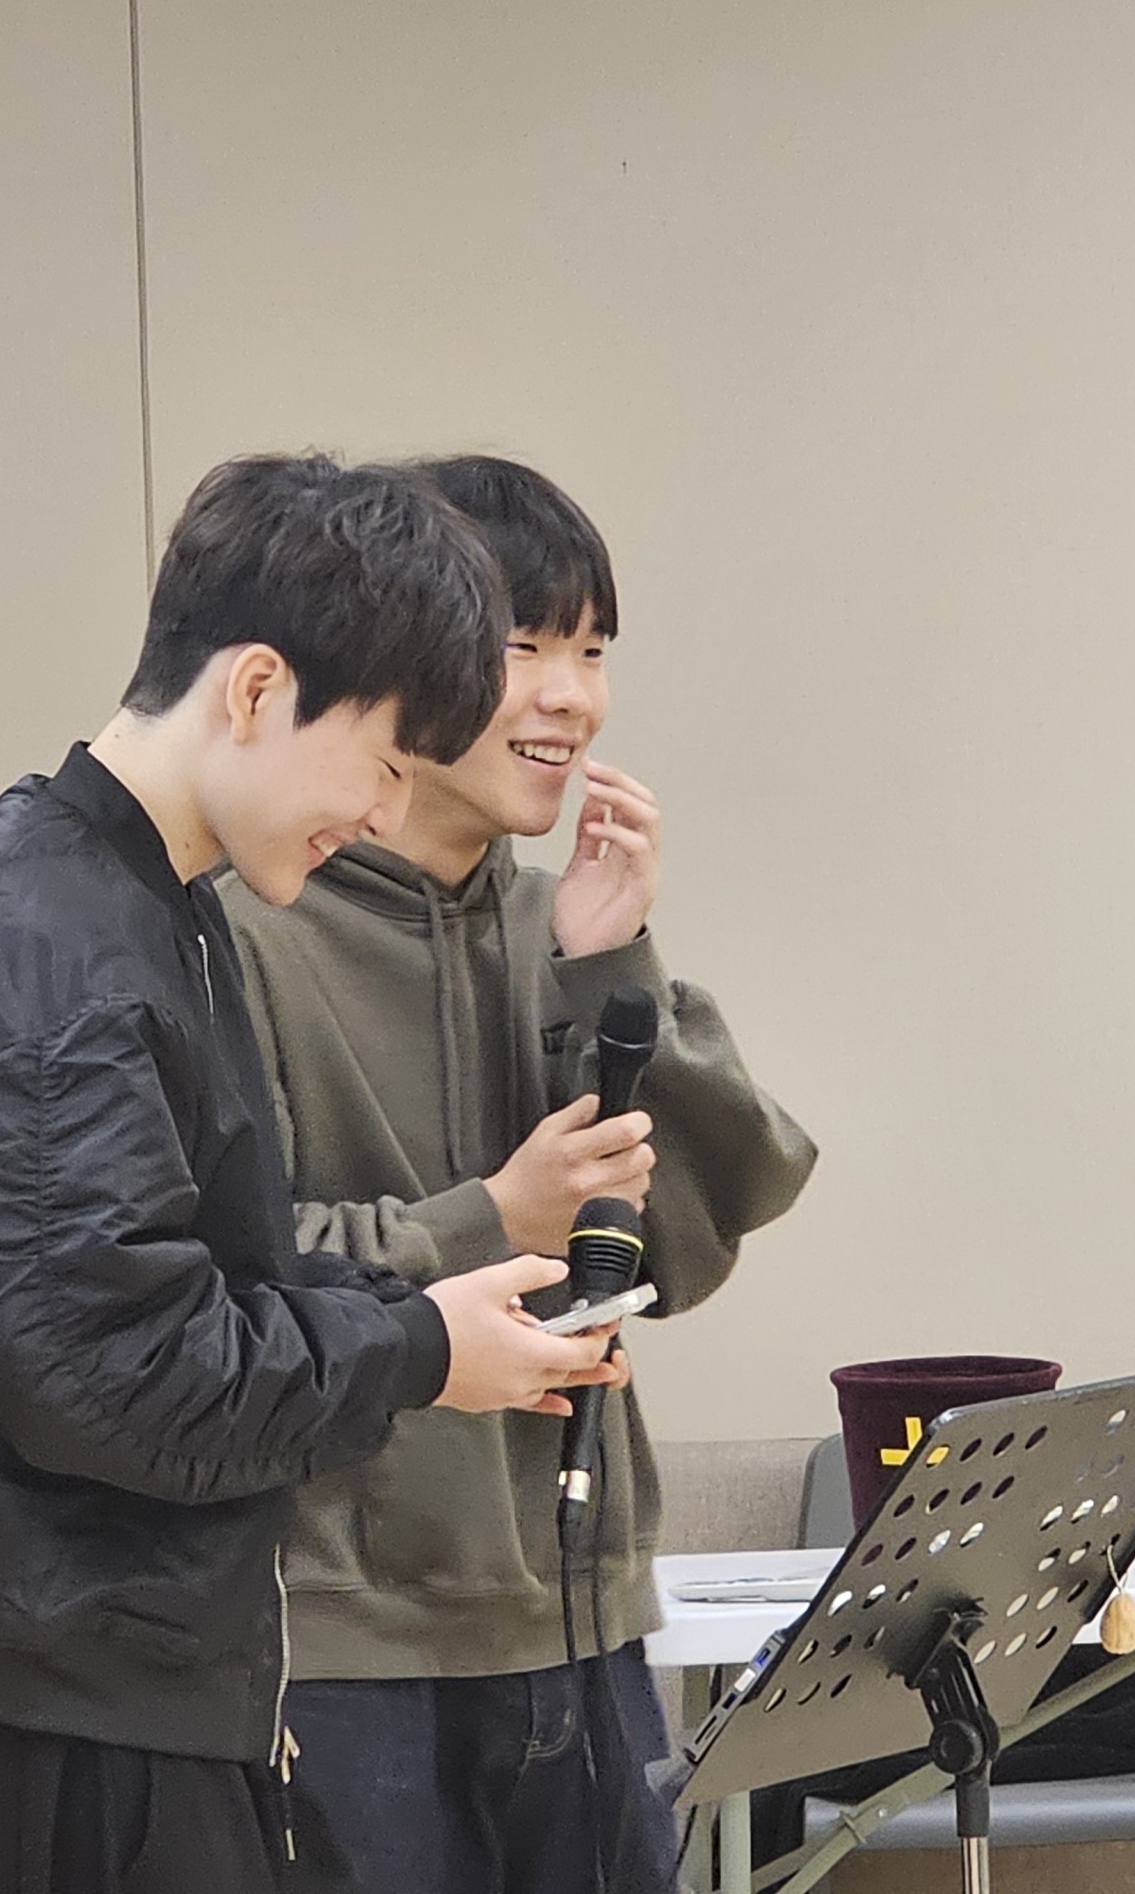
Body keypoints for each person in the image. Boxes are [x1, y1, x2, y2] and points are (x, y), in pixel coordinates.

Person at [0, 454, 629, 1894]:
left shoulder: (141, 905)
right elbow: (107, 1373)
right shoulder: (58, 949)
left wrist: (431, 1327)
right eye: (384, 761)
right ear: (256, 688)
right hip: (61, 1706)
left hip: (120, 1685)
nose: (383, 814)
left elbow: (201, 1284)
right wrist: (419, 1350)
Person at [221, 455, 818, 1894]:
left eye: (593, 650)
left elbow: (690, 1241)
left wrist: (613, 971)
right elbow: (224, 1275)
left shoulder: (570, 918)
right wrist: (489, 1217)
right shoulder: (245, 927)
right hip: (339, 1637)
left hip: (583, 1612)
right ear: (397, 657)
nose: (572, 697)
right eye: (524, 647)